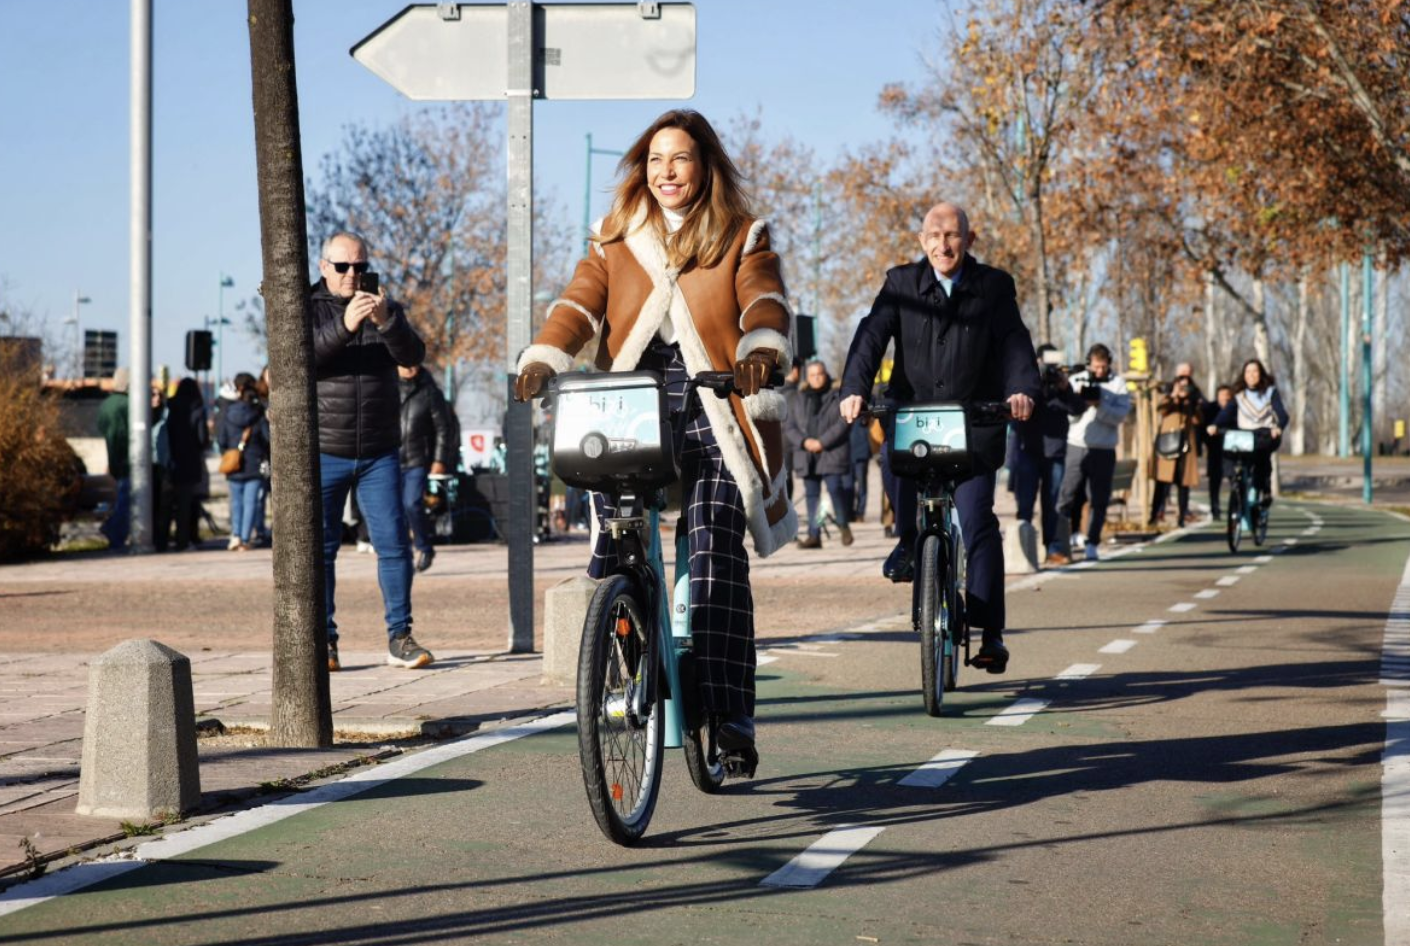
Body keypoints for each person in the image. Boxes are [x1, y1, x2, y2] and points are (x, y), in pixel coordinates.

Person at [512, 109, 796, 758]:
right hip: (630, 411)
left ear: (704, 167)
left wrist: (760, 351)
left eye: (681, 159)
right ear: (643, 169)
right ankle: (628, 666)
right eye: (655, 160)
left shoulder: (742, 236)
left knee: (716, 549)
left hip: (715, 408)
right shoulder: (614, 238)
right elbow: (578, 306)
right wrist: (543, 358)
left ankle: (727, 716)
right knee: (612, 553)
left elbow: (763, 300)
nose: (667, 172)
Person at [839, 201, 1039, 674]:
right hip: (916, 421)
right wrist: (853, 389)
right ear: (922, 240)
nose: (942, 244)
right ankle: (910, 541)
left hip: (974, 423)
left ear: (969, 240)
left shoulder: (993, 287)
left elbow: (1014, 342)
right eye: (933, 234)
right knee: (895, 462)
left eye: (951, 235)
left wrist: (1022, 390)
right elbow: (871, 337)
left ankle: (990, 632)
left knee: (977, 519)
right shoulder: (901, 284)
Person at [312, 230, 432, 672]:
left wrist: (387, 323)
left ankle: (400, 637)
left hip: (379, 450)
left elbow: (414, 354)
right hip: (325, 448)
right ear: (324, 267)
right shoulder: (307, 309)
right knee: (322, 550)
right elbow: (302, 359)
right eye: (342, 267)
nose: (352, 275)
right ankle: (324, 640)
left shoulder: (386, 308)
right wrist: (345, 327)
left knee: (394, 545)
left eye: (360, 267)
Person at [1009, 344, 1086, 566]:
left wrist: (1064, 387)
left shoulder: (1062, 387)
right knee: (1025, 503)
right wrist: (1036, 381)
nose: (1048, 370)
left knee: (1052, 503)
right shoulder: (1027, 382)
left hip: (1055, 453)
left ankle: (1052, 548)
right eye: (1044, 365)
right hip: (1028, 451)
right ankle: (1022, 552)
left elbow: (1078, 408)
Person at [1054, 344, 1131, 562]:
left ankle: (1092, 543)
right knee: (1066, 495)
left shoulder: (1118, 384)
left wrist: (1099, 404)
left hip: (1104, 449)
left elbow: (1120, 417)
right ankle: (1059, 544)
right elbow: (1069, 414)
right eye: (1096, 366)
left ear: (1109, 364)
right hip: (1076, 445)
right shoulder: (1076, 380)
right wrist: (1078, 402)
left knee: (1099, 500)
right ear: (1089, 363)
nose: (1099, 371)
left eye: (1103, 367)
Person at [785, 359, 852, 549]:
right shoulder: (799, 398)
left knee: (834, 489)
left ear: (826, 374)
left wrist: (822, 442)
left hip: (830, 451)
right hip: (807, 454)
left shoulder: (837, 395)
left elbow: (843, 423)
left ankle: (843, 523)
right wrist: (805, 441)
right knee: (812, 495)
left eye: (820, 374)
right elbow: (790, 426)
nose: (816, 378)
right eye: (813, 375)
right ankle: (814, 535)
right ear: (808, 377)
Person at [397, 362, 455, 572]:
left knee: (411, 503)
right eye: (403, 362)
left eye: (412, 361)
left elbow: (443, 429)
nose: (409, 366)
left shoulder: (430, 393)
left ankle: (424, 546)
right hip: (389, 459)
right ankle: (401, 555)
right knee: (394, 509)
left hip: (417, 461)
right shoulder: (386, 389)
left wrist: (439, 460)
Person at [1210, 358, 1289, 506]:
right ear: (1243, 375)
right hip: (1245, 435)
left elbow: (1282, 414)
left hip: (1264, 435)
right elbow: (1226, 413)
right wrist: (1214, 425)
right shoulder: (1239, 395)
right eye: (1248, 371)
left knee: (1262, 460)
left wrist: (1278, 428)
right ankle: (1236, 483)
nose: (1251, 375)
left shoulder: (1270, 392)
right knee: (1231, 454)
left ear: (1261, 374)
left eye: (1255, 371)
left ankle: (1265, 491)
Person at [218, 372, 270, 551]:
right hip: (254, 464)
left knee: (236, 502)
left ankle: (236, 535)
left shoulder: (229, 414)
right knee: (251, 503)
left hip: (234, 464)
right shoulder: (258, 416)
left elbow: (222, 440)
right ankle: (245, 539)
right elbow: (268, 438)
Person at [161, 377, 209, 551]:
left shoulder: (170, 408)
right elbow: (202, 437)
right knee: (185, 504)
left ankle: (162, 541)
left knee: (165, 505)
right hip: (189, 461)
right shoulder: (197, 409)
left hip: (170, 461)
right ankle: (183, 540)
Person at [1149, 374, 1202, 527]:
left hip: (1185, 449)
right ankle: (1155, 515)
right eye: (1180, 386)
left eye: (1186, 386)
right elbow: (1162, 410)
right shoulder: (1169, 400)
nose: (1183, 389)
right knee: (1162, 483)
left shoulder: (1190, 403)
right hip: (1168, 446)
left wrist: (1192, 402)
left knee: (1183, 484)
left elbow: (1198, 420)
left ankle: (1182, 516)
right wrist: (1173, 396)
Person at [96, 367, 131, 550]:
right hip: (129, 459)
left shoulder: (106, 404)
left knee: (121, 497)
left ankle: (114, 532)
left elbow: (102, 427)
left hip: (114, 458)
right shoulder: (129, 404)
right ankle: (114, 531)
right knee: (126, 500)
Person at [1201, 383, 1233, 518]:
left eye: (1227, 396)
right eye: (1222, 396)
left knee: (1234, 480)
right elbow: (1204, 429)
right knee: (1214, 482)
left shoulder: (1235, 409)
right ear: (1217, 396)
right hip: (1215, 451)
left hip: (1232, 451)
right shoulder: (1210, 409)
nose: (1224, 399)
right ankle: (1215, 509)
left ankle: (1236, 507)